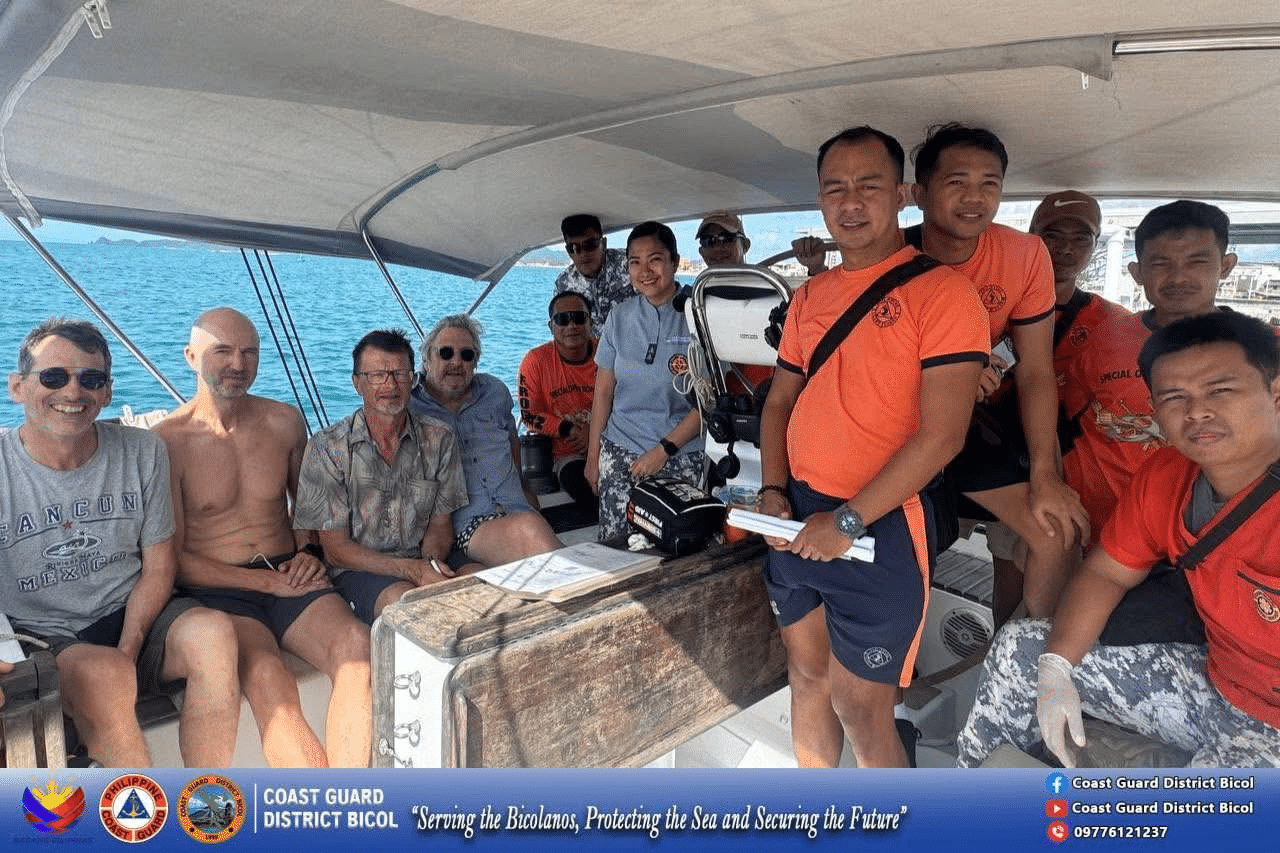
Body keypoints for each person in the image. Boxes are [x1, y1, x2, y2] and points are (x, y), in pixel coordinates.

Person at [757, 126, 989, 768]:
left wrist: (850, 519)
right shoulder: (809, 295)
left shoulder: (943, 294)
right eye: (836, 189)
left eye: (869, 186)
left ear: (904, 194)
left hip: (879, 524)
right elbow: (778, 404)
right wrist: (774, 493)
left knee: (863, 707)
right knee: (806, 679)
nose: (851, 202)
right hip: (798, 512)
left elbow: (943, 436)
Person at [957, 311, 1280, 768]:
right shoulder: (1168, 475)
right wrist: (1057, 667)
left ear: (1276, 394)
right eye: (1174, 396)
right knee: (1024, 648)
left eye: (1220, 390)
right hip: (1212, 683)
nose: (1197, 411)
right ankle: (965, 802)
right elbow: (1107, 572)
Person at [2, 318, 240, 767]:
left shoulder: (142, 450)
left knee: (214, 633)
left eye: (91, 379)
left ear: (107, 393)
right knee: (107, 677)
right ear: (17, 387)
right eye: (54, 377)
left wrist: (130, 647)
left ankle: (205, 809)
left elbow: (159, 566)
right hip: (46, 633)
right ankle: (144, 829)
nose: (73, 392)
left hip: (133, 614)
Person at [154, 307, 373, 767]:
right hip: (219, 589)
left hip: (287, 572)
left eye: (250, 352)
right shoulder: (166, 442)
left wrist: (310, 550)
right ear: (191, 356)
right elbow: (175, 558)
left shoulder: (285, 423)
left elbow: (307, 510)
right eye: (223, 351)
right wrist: (266, 584)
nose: (239, 363)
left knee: (357, 647)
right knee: (270, 677)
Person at [908, 123, 1089, 620]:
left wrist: (1046, 474)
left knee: (1056, 532)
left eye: (990, 183)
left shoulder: (1025, 256)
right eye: (957, 182)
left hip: (970, 428)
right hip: (896, 427)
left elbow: (1034, 371)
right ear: (921, 193)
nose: (975, 197)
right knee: (898, 554)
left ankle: (1023, 671)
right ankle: (892, 685)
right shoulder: (890, 258)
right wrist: (953, 379)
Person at [1063, 200, 1238, 530]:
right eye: (1160, 264)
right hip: (1104, 533)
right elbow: (1068, 419)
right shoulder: (1103, 340)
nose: (1178, 277)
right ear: (1137, 272)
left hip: (1211, 541)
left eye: (1197, 261)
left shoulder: (1267, 349)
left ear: (1226, 266)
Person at [295, 329, 469, 623]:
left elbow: (441, 525)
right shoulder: (328, 447)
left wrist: (429, 566)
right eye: (377, 375)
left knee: (482, 583)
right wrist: (410, 571)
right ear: (357, 383)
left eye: (400, 374)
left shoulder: (440, 437)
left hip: (423, 558)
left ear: (412, 380)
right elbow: (336, 551)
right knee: (407, 604)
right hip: (358, 571)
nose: (390, 385)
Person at [585, 221, 709, 542]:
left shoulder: (699, 315)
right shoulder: (619, 315)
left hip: (680, 453)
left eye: (655, 259)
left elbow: (709, 402)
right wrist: (593, 458)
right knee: (616, 549)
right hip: (620, 449)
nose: (645, 270)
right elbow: (603, 393)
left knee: (675, 549)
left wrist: (663, 451)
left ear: (675, 262)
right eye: (634, 262)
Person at [410, 315, 564, 565]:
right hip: (467, 524)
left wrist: (523, 485)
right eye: (445, 353)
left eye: (466, 355)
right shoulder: (410, 405)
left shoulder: (495, 393)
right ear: (426, 358)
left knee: (533, 533)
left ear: (475, 362)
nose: (456, 362)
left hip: (517, 508)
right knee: (534, 535)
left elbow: (512, 439)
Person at [518, 291, 599, 517]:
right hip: (568, 455)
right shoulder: (535, 361)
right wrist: (570, 429)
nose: (571, 325)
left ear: (591, 322)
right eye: (563, 319)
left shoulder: (608, 353)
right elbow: (530, 415)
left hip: (611, 445)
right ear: (551, 326)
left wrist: (596, 436)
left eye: (579, 317)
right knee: (587, 495)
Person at [554, 213, 632, 329]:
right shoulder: (564, 284)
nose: (583, 253)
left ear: (604, 244)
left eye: (590, 245)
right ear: (568, 251)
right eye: (574, 248)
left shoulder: (629, 264)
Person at [695, 210, 829, 276]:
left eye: (727, 238)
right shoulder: (691, 298)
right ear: (701, 252)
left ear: (745, 245)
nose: (718, 247)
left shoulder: (768, 285)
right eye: (708, 241)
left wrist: (817, 269)